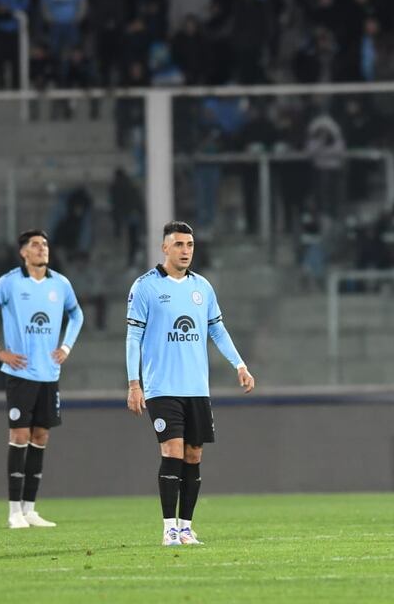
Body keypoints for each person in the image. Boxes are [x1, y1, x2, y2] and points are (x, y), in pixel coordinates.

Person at [126, 221, 255, 546]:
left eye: (190, 245)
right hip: (162, 388)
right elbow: (133, 337)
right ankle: (168, 527)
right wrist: (133, 382)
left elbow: (217, 330)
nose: (186, 251)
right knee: (172, 451)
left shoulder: (203, 288)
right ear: (164, 248)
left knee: (194, 455)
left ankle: (186, 526)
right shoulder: (145, 287)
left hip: (197, 388)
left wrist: (239, 364)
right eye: (179, 244)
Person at [0, 229, 84, 529]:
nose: (42, 249)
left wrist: (66, 346)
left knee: (41, 436)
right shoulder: (10, 283)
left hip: (49, 374)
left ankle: (30, 508)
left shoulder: (61, 283)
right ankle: (13, 511)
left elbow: (77, 315)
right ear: (23, 253)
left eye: (44, 244)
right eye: (35, 245)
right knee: (19, 436)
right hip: (20, 374)